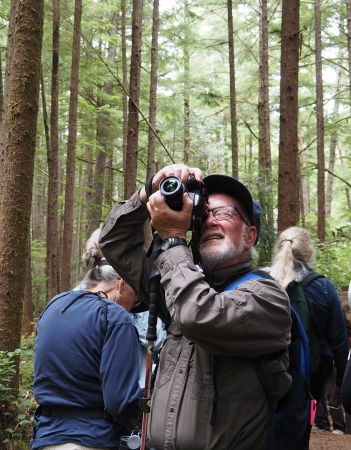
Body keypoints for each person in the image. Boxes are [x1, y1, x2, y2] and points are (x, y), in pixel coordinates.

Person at [99, 164, 292, 449]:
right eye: (203, 214)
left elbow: (198, 315)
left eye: (224, 213)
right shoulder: (178, 284)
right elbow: (113, 242)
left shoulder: (267, 297)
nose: (210, 221)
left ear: (250, 236)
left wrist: (174, 240)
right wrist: (149, 190)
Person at [31, 247, 143, 450]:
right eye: (133, 298)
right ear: (121, 284)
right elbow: (120, 401)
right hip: (93, 439)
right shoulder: (116, 318)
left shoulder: (54, 305)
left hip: (45, 437)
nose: (131, 307)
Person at [270, 227, 350, 444]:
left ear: (278, 250)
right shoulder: (324, 288)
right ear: (309, 253)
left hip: (267, 374)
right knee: (301, 428)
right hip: (310, 377)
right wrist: (341, 383)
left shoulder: (263, 282)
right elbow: (340, 342)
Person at [76, 228, 166, 389]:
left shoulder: (76, 294)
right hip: (128, 391)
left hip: (86, 392)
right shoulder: (134, 289)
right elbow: (156, 339)